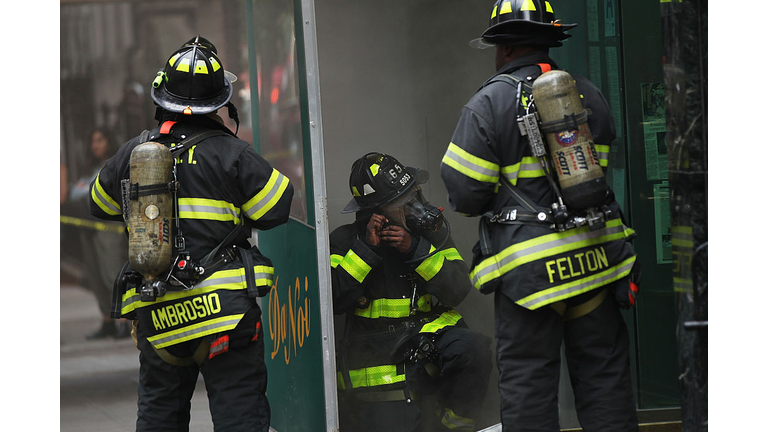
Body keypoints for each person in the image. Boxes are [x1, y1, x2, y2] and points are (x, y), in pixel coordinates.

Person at [440, 1, 640, 431]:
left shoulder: (488, 103)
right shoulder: (588, 95)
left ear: (505, 49)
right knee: (605, 384)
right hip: (595, 267)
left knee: (529, 388)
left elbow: (465, 193)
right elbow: (598, 178)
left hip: (530, 280)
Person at [89, 36, 293, 431]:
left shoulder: (134, 152)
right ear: (221, 102)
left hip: (159, 314)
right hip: (224, 318)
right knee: (240, 417)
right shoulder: (232, 154)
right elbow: (276, 209)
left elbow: (100, 203)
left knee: (159, 417)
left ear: (161, 97)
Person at [331, 152, 492, 432]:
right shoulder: (344, 241)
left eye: (415, 195)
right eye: (405, 204)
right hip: (379, 362)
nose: (417, 207)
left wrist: (416, 251)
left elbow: (458, 289)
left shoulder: (428, 235)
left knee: (473, 349)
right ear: (377, 213)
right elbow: (335, 299)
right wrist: (368, 250)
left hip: (426, 344)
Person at [66, 127, 131, 339]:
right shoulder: (89, 167)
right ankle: (107, 320)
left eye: (100, 140)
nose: (96, 145)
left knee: (112, 273)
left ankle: (124, 321)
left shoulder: (115, 164)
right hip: (88, 226)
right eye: (93, 141)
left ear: (109, 141)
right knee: (95, 276)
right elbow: (76, 192)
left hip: (108, 227)